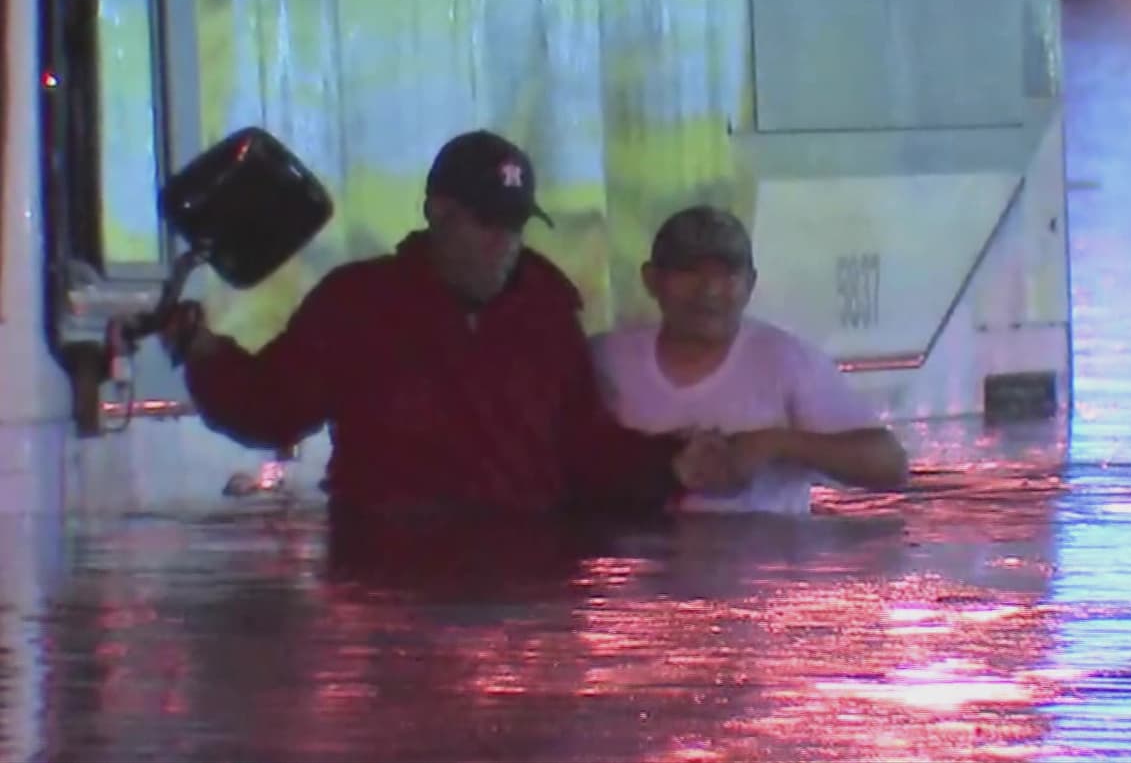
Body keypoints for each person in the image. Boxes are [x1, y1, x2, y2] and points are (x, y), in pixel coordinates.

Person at [165, 130, 742, 517]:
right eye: (487, 224)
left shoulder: (546, 310)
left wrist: (666, 464)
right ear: (438, 213)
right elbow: (270, 409)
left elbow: (583, 450)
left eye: (515, 226)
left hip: (525, 583)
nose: (504, 244)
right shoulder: (358, 305)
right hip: (391, 580)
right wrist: (203, 352)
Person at [591, 205, 909, 515]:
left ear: (750, 284)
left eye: (728, 273)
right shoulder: (608, 359)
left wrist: (774, 444)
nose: (710, 290)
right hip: (648, 564)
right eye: (688, 272)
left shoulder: (786, 361)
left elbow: (891, 467)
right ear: (651, 280)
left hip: (770, 566)